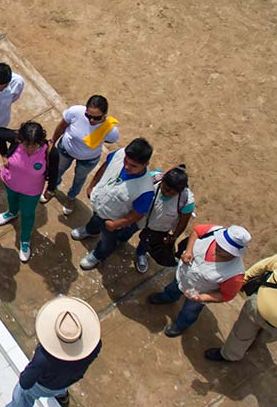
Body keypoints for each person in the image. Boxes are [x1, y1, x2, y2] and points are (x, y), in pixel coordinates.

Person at [0, 297, 100, 407]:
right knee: (61, 386)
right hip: (69, 379)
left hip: (45, 385)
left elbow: (26, 382)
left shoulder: (43, 357)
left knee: (24, 394)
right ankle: (62, 396)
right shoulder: (94, 345)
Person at [147, 223, 251, 337]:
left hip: (198, 292)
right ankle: (167, 297)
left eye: (224, 248)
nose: (218, 247)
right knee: (173, 288)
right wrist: (189, 251)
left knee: (189, 312)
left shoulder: (235, 274)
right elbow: (196, 231)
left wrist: (201, 298)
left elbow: (226, 295)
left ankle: (180, 325)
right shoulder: (213, 231)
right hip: (182, 276)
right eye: (219, 243)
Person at [71, 138, 159, 270]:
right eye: (126, 161)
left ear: (146, 164)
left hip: (112, 220)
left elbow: (137, 214)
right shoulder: (119, 154)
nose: (127, 166)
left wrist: (116, 224)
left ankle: (97, 255)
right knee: (95, 219)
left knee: (108, 242)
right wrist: (92, 185)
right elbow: (106, 166)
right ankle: (90, 230)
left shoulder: (145, 190)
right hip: (99, 204)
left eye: (133, 165)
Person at [43, 95, 120, 207]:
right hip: (65, 150)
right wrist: (52, 141)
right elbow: (62, 126)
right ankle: (52, 188)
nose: (91, 120)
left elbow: (110, 140)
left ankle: (71, 197)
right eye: (88, 116)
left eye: (97, 118)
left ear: (105, 115)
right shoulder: (75, 112)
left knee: (79, 179)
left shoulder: (111, 130)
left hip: (88, 159)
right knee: (57, 171)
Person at [0, 121, 49, 262]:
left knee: (27, 214)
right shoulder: (16, 139)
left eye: (34, 145)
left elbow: (54, 173)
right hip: (10, 182)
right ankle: (12, 213)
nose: (30, 149)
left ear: (40, 142)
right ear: (20, 139)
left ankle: (25, 241)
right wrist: (4, 154)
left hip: (31, 192)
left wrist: (51, 189)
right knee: (11, 200)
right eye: (26, 145)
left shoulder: (49, 152)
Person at [133, 164, 194, 275]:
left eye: (172, 193)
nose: (167, 194)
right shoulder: (151, 179)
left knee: (146, 242)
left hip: (159, 227)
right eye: (165, 189)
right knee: (126, 231)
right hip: (138, 217)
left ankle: (140, 253)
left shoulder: (186, 201)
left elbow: (183, 221)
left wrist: (174, 236)